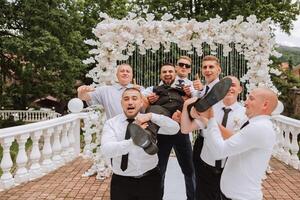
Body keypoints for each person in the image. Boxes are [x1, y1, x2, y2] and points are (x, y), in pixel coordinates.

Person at [194, 87, 278, 200]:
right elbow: (232, 141)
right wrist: (206, 120)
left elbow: (220, 151)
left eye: (251, 99)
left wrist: (211, 118)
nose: (245, 102)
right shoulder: (256, 125)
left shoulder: (259, 127)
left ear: (265, 105)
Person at [101, 88, 180, 200]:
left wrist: (152, 116)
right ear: (121, 102)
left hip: (150, 180)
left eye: (134, 98)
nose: (130, 102)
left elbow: (174, 129)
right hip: (121, 182)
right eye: (126, 99)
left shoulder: (150, 122)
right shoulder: (112, 124)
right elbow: (107, 150)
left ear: (141, 102)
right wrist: (135, 141)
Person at [181, 76, 248, 200]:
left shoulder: (245, 113)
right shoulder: (210, 108)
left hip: (230, 169)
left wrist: (208, 120)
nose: (229, 88)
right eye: (225, 85)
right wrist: (186, 106)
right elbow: (185, 129)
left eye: (233, 85)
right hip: (206, 167)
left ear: (240, 89)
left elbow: (236, 140)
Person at [143, 63, 195, 200]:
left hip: (181, 133)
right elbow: (141, 99)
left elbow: (196, 100)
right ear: (160, 74)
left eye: (170, 71)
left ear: (175, 73)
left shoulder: (184, 89)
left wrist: (188, 97)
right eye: (164, 71)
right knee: (160, 170)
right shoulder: (153, 90)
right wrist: (149, 100)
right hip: (162, 135)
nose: (167, 74)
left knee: (189, 169)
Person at [191, 55, 222, 197]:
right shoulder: (204, 90)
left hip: (217, 141)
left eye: (211, 67)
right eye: (205, 67)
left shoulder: (224, 90)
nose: (207, 70)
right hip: (201, 139)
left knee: (215, 186)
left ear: (219, 69)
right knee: (199, 180)